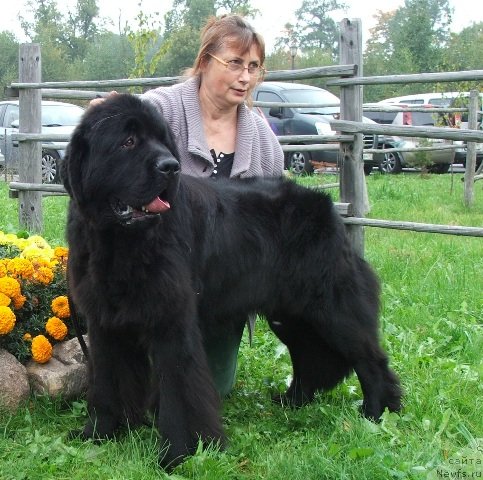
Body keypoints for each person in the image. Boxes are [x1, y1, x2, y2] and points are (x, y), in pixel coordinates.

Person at [93, 14, 284, 396]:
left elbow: (272, 208)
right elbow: (119, 124)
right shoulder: (159, 108)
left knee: (212, 387)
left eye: (253, 67)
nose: (244, 77)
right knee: (147, 385)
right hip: (152, 273)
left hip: (218, 283)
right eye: (234, 63)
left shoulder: (263, 138)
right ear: (204, 61)